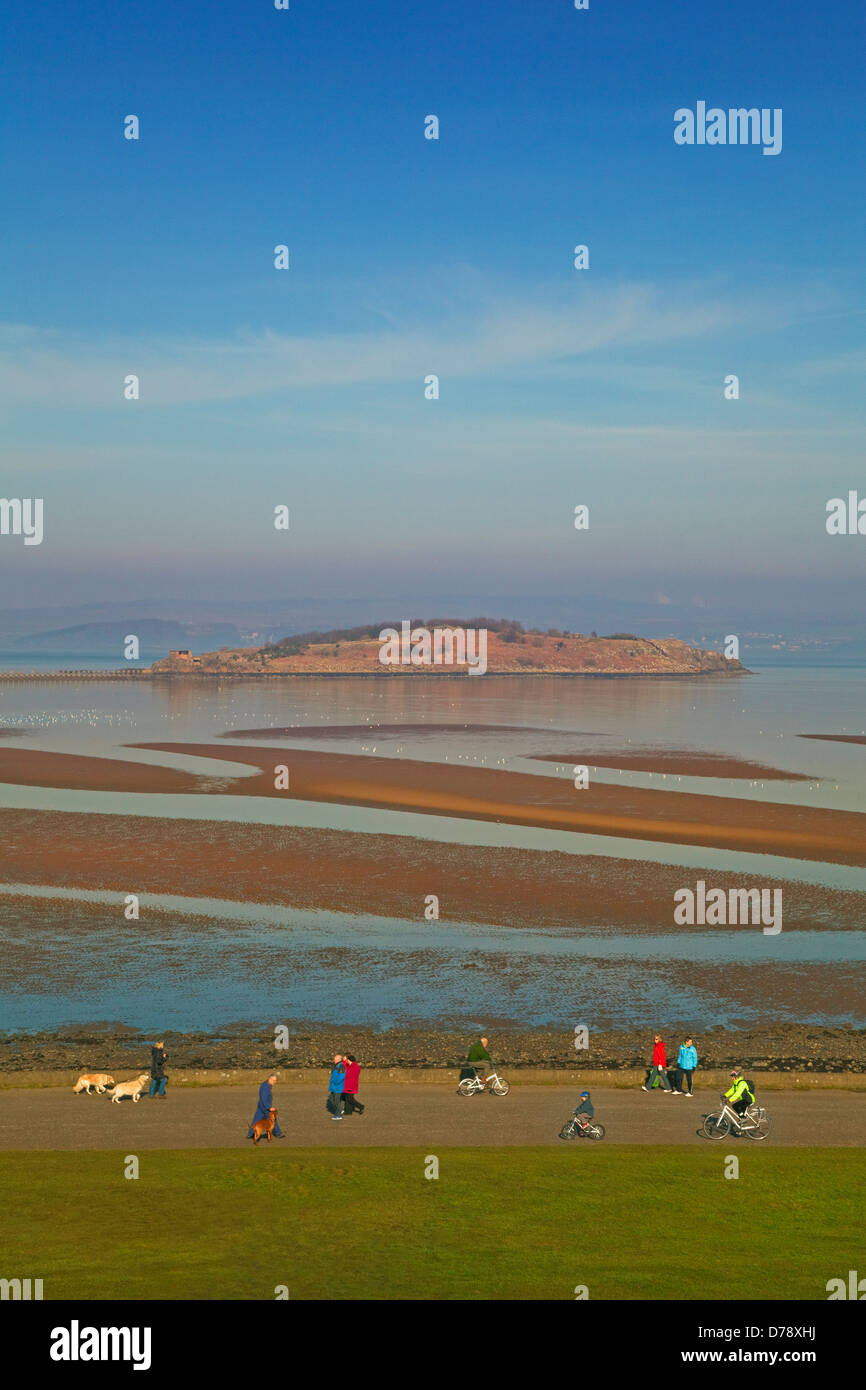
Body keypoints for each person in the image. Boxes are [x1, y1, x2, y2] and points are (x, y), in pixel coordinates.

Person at [247, 1074, 284, 1139]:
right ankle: (278, 1133)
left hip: (261, 1106)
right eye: (273, 1080)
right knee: (273, 1120)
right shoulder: (265, 1087)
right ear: (269, 1079)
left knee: (256, 1120)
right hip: (265, 1107)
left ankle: (251, 1134)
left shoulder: (266, 1085)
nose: (274, 1082)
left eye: (275, 1081)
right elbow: (264, 1098)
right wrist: (269, 1107)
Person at [327, 1055, 346, 1120]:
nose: (333, 1060)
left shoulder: (341, 1066)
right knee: (332, 1099)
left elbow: (342, 1076)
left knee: (336, 1101)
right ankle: (340, 1110)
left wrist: (335, 1082)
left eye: (334, 1059)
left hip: (338, 1087)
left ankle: (338, 1115)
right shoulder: (336, 1066)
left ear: (339, 1059)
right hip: (334, 1087)